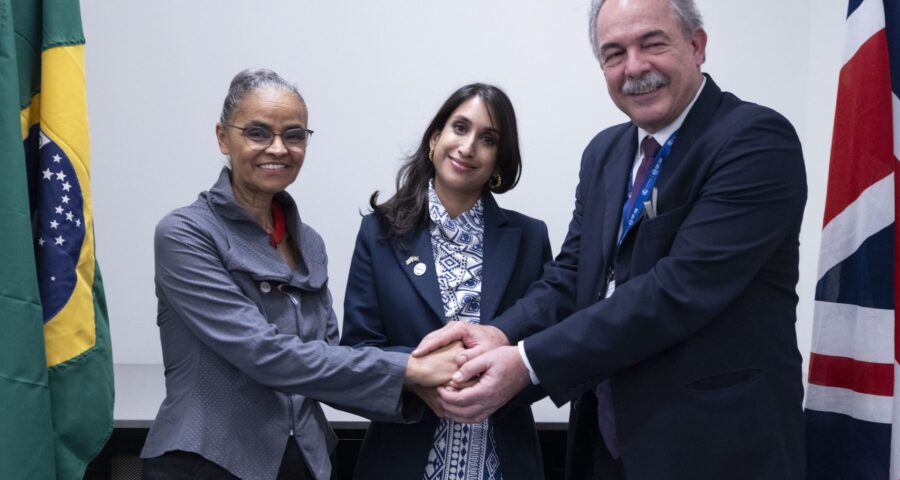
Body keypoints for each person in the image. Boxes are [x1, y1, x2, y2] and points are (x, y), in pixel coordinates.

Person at [413, 1, 807, 479]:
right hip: (604, 443)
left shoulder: (755, 141)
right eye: (614, 53)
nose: (634, 67)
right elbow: (573, 273)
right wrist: (501, 332)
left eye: (652, 43)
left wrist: (526, 361)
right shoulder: (605, 152)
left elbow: (676, 291)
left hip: (714, 448)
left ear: (696, 45)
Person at [140, 68, 462, 480]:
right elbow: (263, 352)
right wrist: (411, 370)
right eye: (257, 133)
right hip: (207, 463)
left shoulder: (309, 243)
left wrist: (421, 384)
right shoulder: (185, 234)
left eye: (294, 135)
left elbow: (326, 362)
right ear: (223, 137)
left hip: (304, 463)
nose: (278, 148)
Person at [339, 83, 551, 480]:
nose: (468, 147)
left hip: (502, 463)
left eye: (488, 139)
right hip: (401, 460)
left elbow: (545, 347)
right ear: (435, 139)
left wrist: (498, 381)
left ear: (498, 161)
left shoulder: (529, 237)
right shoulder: (380, 233)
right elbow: (358, 350)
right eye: (459, 128)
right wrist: (420, 377)